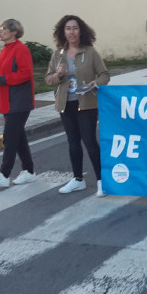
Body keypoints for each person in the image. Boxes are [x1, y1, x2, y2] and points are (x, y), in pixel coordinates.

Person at [45, 15, 110, 196]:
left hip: (87, 103)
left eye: (75, 28)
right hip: (66, 104)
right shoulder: (58, 54)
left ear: (81, 31)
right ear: (62, 32)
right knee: (73, 142)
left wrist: (95, 83)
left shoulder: (90, 52)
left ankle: (101, 180)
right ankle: (77, 179)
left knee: (89, 141)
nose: (71, 32)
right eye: (68, 28)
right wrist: (58, 75)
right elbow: (48, 80)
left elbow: (105, 75)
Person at [0, 19, 37, 188]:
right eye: (0, 29)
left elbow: (25, 74)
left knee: (10, 138)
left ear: (14, 32)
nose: (0, 32)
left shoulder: (21, 49)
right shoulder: (6, 50)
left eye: (3, 29)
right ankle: (29, 171)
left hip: (19, 101)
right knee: (19, 138)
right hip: (7, 100)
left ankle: (4, 174)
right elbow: (4, 74)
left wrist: (2, 80)